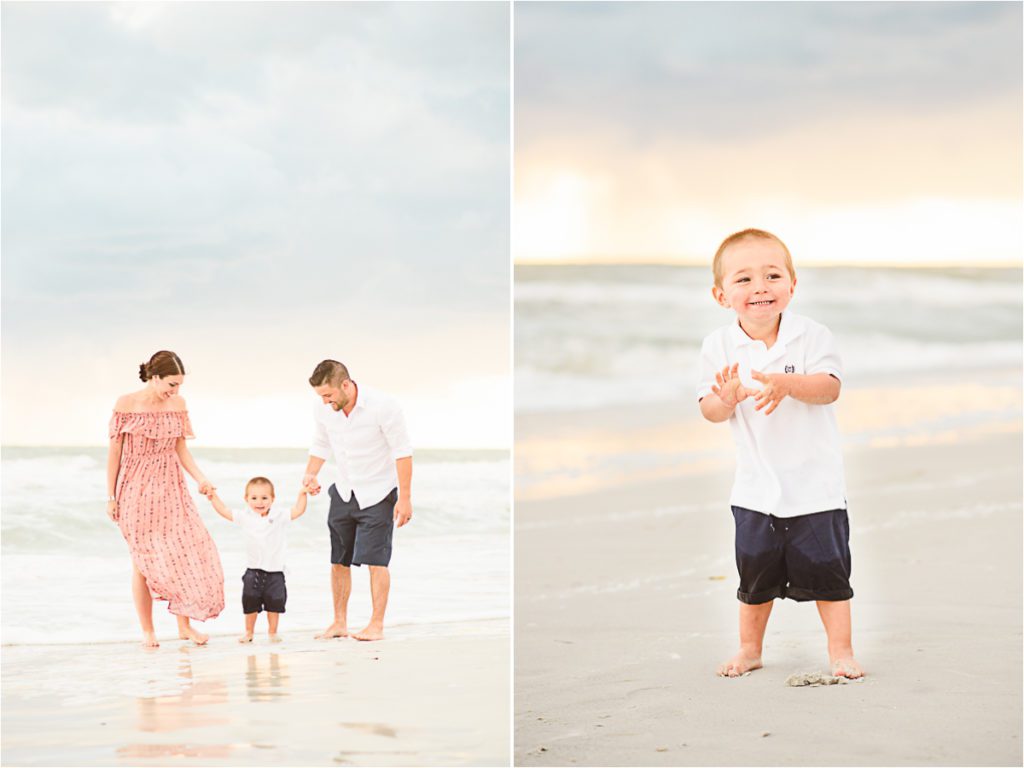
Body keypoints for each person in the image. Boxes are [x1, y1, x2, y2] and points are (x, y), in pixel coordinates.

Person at [697, 229, 864, 679]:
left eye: (772, 275)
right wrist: (728, 397)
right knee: (754, 579)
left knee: (830, 576)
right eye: (744, 279)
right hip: (755, 490)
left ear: (792, 284)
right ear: (721, 294)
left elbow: (829, 388)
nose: (760, 288)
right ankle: (750, 649)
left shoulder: (811, 336)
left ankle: (841, 652)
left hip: (816, 488)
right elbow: (709, 410)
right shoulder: (718, 346)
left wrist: (787, 384)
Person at [106, 350, 225, 648]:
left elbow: (181, 450)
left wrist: (201, 479)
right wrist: (111, 496)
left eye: (179, 385)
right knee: (143, 562)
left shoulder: (178, 405)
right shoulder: (126, 404)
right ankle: (148, 631)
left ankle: (184, 627)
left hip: (171, 486)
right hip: (134, 488)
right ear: (154, 377)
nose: (175, 391)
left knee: (181, 554)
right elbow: (115, 454)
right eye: (171, 384)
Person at [301, 360, 412, 642]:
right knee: (339, 560)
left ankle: (376, 625)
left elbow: (402, 451)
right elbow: (321, 443)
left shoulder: (384, 406)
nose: (325, 402)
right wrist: (311, 474)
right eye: (321, 397)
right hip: (344, 491)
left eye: (328, 395)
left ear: (346, 385)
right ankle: (339, 622)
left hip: (378, 492)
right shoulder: (323, 409)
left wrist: (405, 498)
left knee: (377, 562)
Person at [204, 477, 308, 643]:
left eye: (264, 498)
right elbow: (224, 510)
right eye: (254, 498)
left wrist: (303, 493)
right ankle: (249, 632)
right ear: (246, 499)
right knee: (250, 602)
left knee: (275, 603)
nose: (259, 502)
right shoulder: (244, 516)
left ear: (272, 499)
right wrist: (212, 496)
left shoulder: (279, 515)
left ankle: (272, 632)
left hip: (275, 571)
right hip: (253, 570)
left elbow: (298, 510)